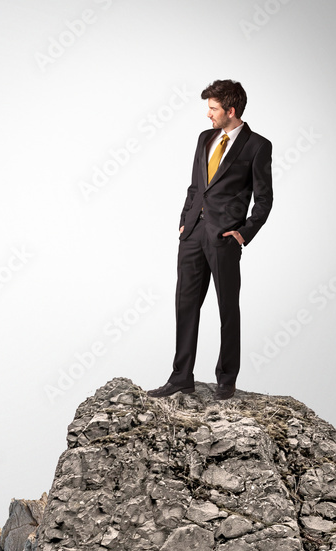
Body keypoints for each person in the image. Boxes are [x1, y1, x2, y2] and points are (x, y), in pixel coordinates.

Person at [148, 79, 273, 401]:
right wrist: (184, 220)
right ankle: (181, 377)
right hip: (192, 234)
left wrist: (243, 233)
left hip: (223, 238)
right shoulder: (204, 139)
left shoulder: (258, 146)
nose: (208, 115)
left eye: (213, 109)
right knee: (185, 304)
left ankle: (227, 379)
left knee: (227, 308)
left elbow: (263, 198)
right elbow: (195, 186)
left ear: (231, 110)